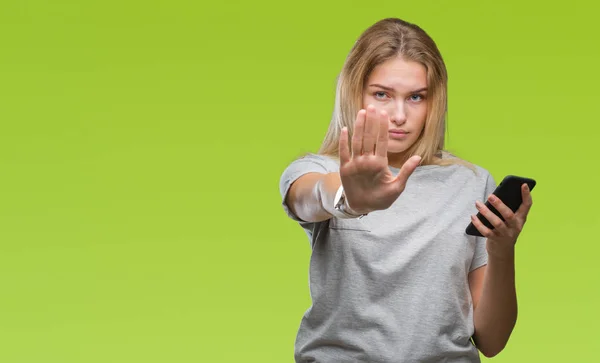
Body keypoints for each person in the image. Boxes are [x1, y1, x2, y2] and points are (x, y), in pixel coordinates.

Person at [278, 17, 534, 363]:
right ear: (355, 92)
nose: (399, 115)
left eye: (416, 97)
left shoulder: (471, 183)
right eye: (382, 94)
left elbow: (491, 341)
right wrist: (348, 198)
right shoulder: (320, 170)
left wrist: (502, 250)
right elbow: (310, 198)